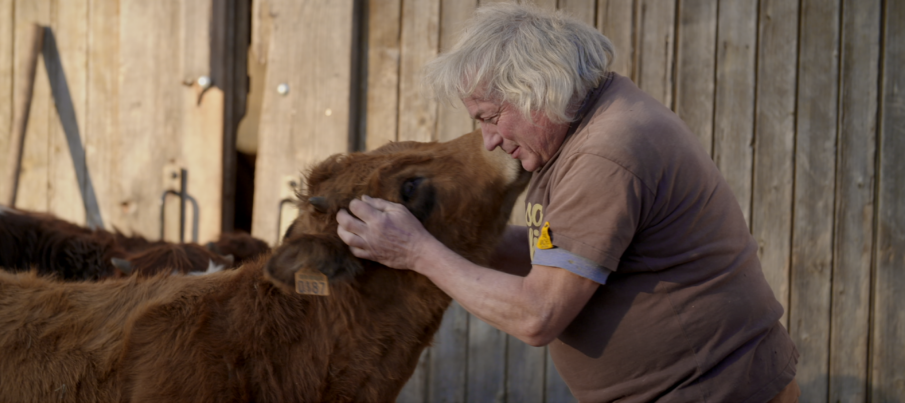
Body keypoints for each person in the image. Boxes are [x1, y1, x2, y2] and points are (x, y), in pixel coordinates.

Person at [336, 3, 799, 402]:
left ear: (538, 90)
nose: (490, 140)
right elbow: (557, 252)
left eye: (491, 117)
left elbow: (537, 315)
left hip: (710, 389)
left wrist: (419, 252)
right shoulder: (587, 128)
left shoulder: (606, 153)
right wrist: (433, 238)